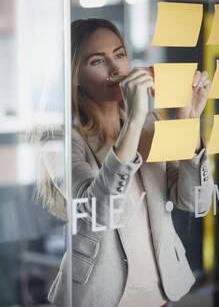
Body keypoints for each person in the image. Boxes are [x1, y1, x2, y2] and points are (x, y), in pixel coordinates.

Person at [38, 18, 214, 307]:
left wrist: (190, 120)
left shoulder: (149, 124)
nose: (116, 68)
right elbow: (98, 213)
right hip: (99, 297)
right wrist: (133, 119)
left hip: (161, 295)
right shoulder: (59, 139)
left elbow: (196, 202)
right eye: (98, 61)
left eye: (119, 55)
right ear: (75, 76)